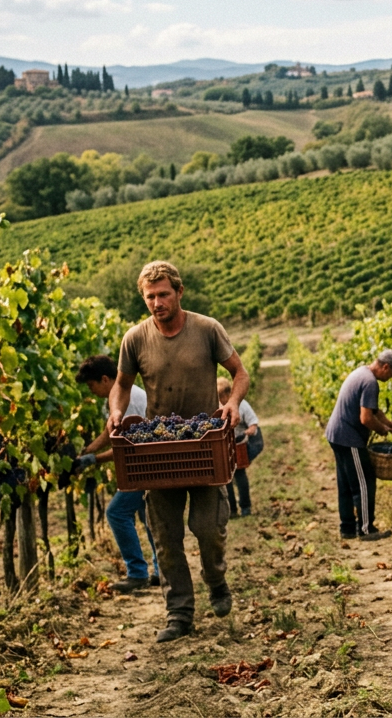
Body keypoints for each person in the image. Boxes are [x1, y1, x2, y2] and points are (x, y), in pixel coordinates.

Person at [108, 261, 251, 643]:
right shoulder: (135, 339)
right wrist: (116, 411)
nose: (157, 303)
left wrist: (233, 403)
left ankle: (216, 579)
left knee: (208, 528)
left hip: (204, 445)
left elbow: (240, 373)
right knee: (166, 538)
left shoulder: (206, 329)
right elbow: (121, 385)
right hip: (160, 451)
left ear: (179, 292)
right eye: (150, 297)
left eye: (163, 294)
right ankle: (179, 614)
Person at [74, 355, 160, 593]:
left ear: (105, 379)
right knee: (147, 516)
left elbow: (126, 446)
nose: (91, 391)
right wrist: (89, 450)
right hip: (143, 464)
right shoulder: (117, 397)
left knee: (116, 512)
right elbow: (110, 432)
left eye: (91, 385)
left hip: (146, 465)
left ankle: (137, 573)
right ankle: (160, 569)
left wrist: (94, 459)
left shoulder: (128, 400)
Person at [324, 350, 392, 541]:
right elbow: (366, 418)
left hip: (336, 435)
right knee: (364, 483)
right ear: (385, 367)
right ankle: (366, 529)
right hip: (349, 438)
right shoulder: (370, 383)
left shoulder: (361, 373)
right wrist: (382, 430)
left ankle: (347, 529)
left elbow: (374, 410)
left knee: (345, 483)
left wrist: (390, 425)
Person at [217, 377, 261, 517]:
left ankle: (245, 507)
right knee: (227, 478)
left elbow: (253, 425)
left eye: (221, 396)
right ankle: (232, 510)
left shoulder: (242, 405)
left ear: (228, 393)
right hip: (226, 446)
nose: (219, 399)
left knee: (239, 474)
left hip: (241, 445)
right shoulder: (218, 406)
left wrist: (244, 434)